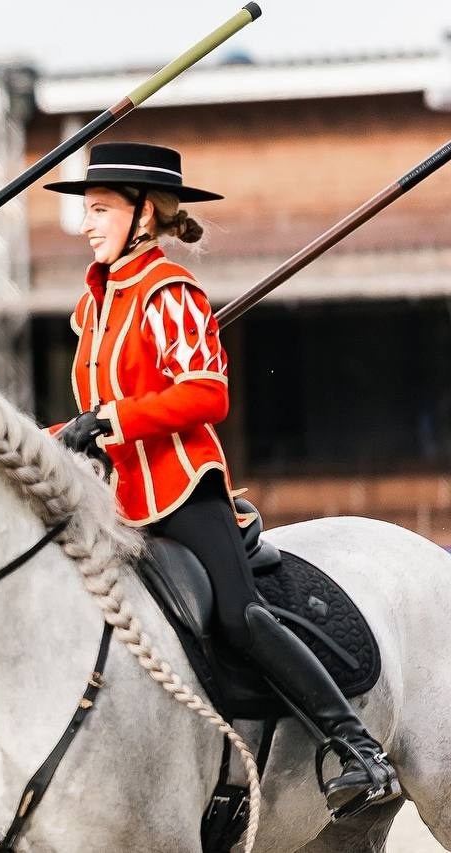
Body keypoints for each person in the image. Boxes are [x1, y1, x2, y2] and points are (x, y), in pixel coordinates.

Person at [43, 142, 400, 815]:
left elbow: (206, 393)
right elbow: (92, 413)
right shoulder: (92, 307)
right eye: (86, 211)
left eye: (98, 210)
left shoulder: (169, 292)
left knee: (238, 616)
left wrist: (112, 421)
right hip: (115, 498)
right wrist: (53, 435)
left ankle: (358, 748)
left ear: (144, 216)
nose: (86, 224)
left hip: (180, 489)